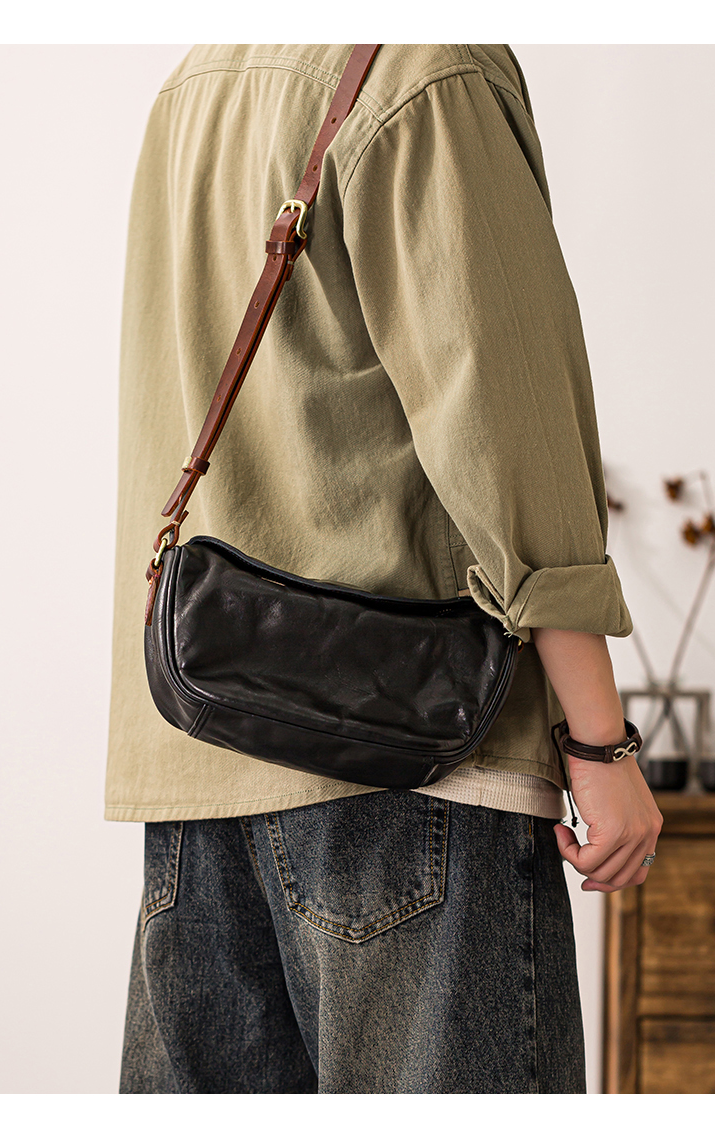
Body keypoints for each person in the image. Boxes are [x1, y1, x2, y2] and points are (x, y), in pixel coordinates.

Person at [108, 44, 663, 1093]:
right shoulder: (429, 69)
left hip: (194, 764)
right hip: (418, 763)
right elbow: (507, 426)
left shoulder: (197, 80)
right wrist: (602, 741)